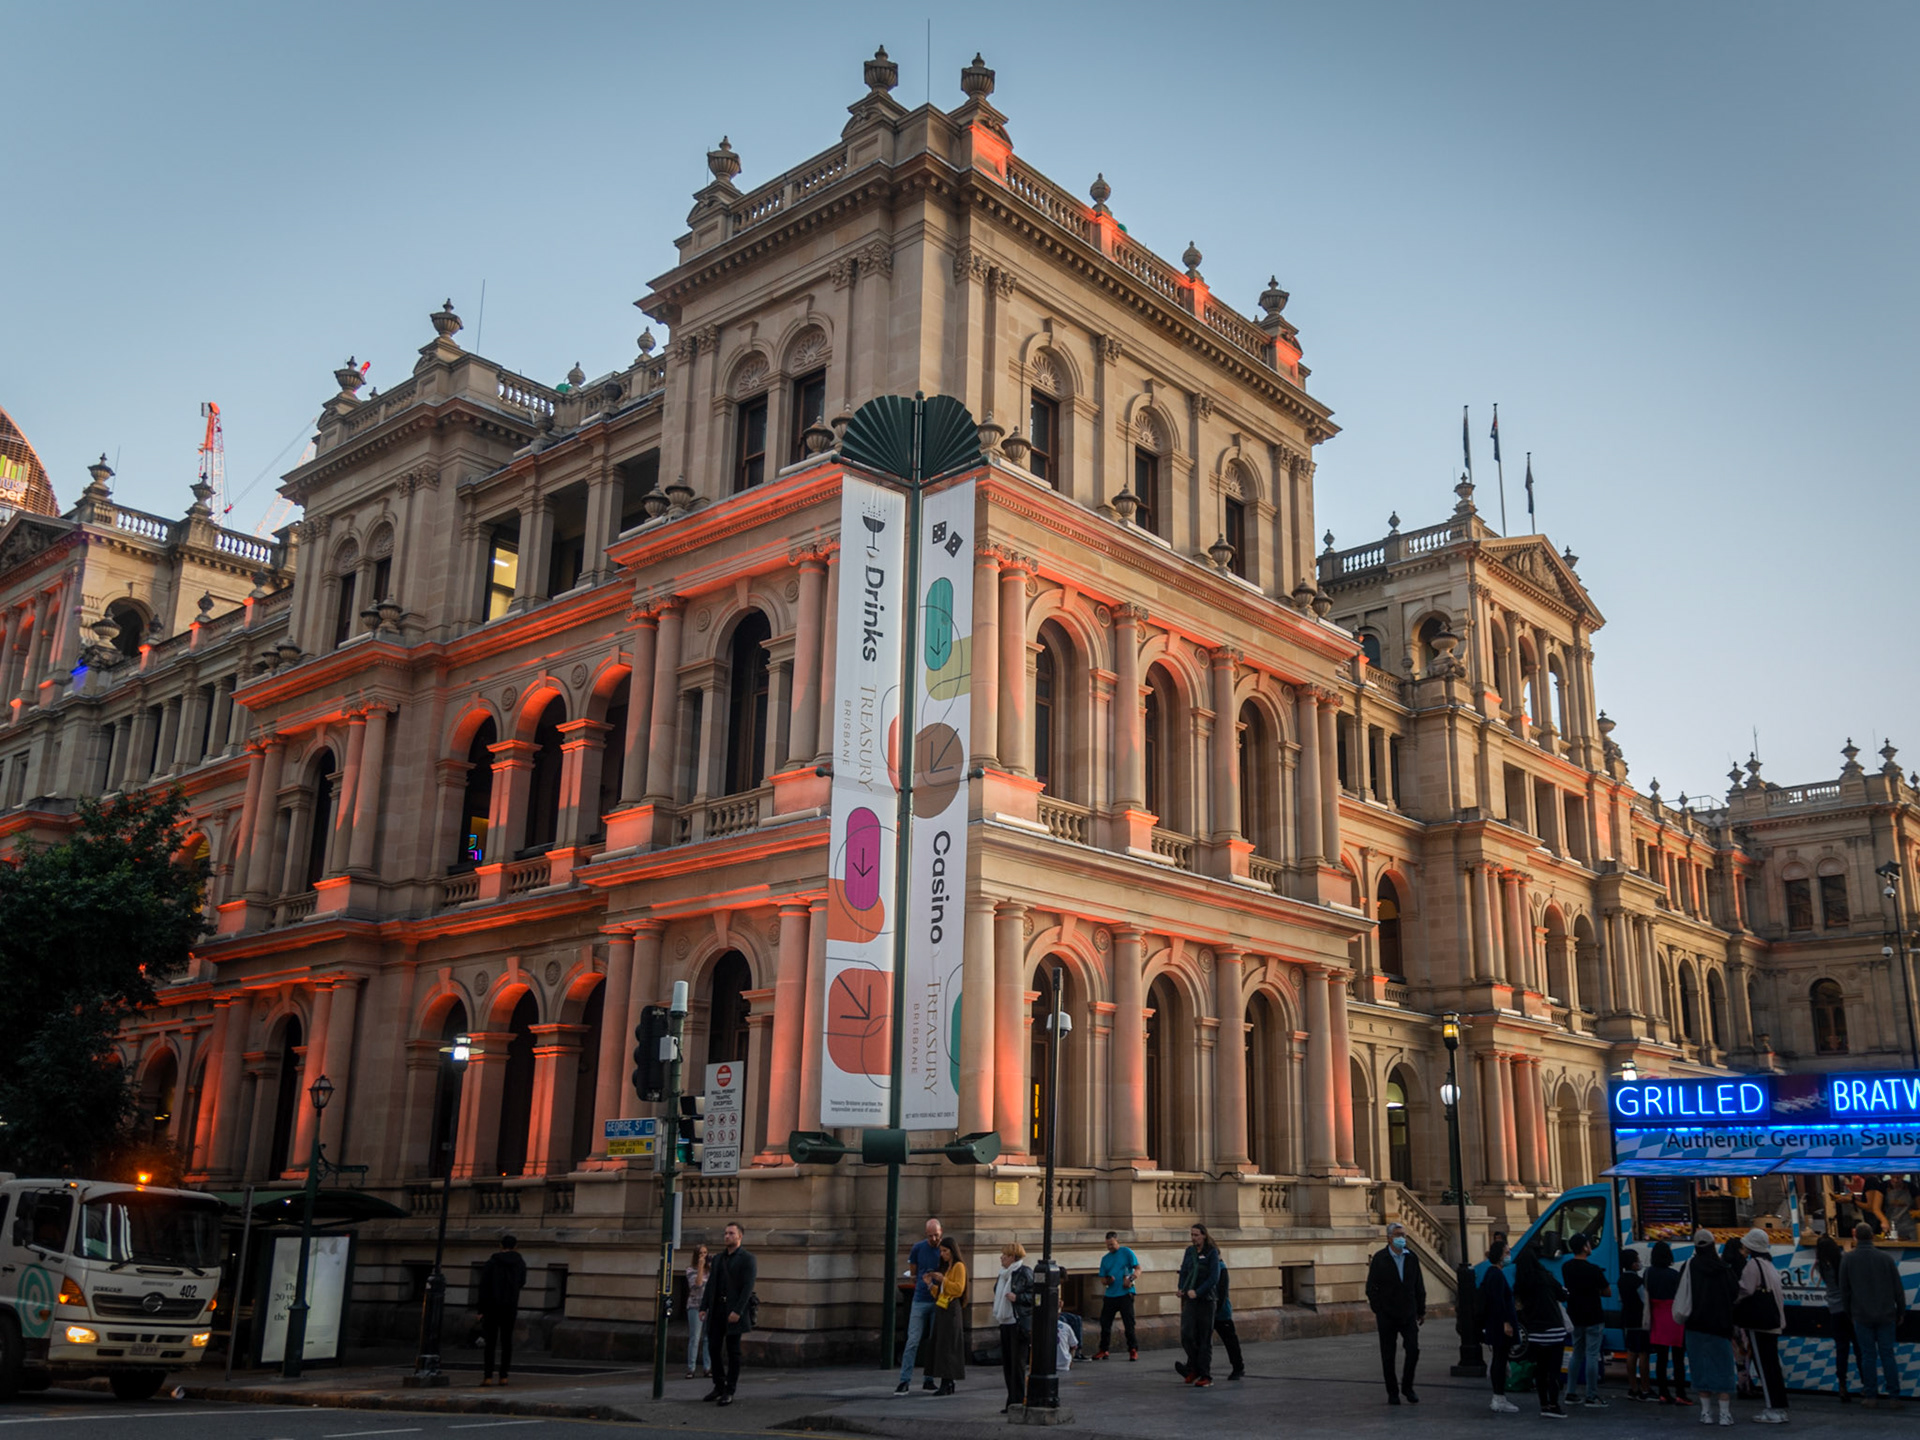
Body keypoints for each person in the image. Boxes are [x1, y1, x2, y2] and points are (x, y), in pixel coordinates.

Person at [1839, 1220, 1909, 1409]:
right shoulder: (1886, 1259)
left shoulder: (1848, 1259)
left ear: (1855, 1236)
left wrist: (1849, 1312)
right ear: (1872, 1236)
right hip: (1886, 1314)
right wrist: (1900, 1311)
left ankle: (1870, 1395)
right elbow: (1898, 1288)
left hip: (1861, 1315)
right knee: (1888, 1355)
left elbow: (1844, 1290)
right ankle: (1894, 1396)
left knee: (1868, 1356)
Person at [1674, 1227, 1737, 1426]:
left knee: (1700, 1368)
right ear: (1713, 1245)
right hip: (1720, 1326)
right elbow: (1734, 1293)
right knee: (1723, 1368)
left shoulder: (1689, 1266)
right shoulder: (1724, 1268)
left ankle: (1706, 1412)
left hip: (1695, 1326)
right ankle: (1725, 1414)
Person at [1365, 1220, 1426, 1405]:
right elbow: (1371, 1287)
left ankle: (1407, 1387)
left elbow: (1418, 1285)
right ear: (1389, 1238)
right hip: (1387, 1314)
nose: (1402, 1239)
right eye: (1398, 1235)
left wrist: (1421, 1309)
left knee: (1413, 1350)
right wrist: (1379, 1309)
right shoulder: (1380, 1258)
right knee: (1388, 1355)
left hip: (1408, 1313)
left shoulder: (1411, 1257)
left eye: (1403, 1235)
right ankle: (1392, 1392)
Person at [1733, 1228, 1788, 1423]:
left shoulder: (1752, 1265)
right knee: (1772, 1366)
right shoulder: (1768, 1264)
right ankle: (1780, 1408)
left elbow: (1745, 1289)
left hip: (1760, 1323)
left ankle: (1772, 1409)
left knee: (1764, 1368)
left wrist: (1733, 1301)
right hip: (1774, 1321)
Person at [701, 1221, 757, 1407]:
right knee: (713, 1348)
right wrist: (704, 1307)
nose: (727, 1236)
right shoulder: (718, 1259)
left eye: (731, 1233)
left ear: (740, 1236)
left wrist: (738, 1311)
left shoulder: (747, 1258)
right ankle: (719, 1384)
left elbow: (747, 1287)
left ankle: (729, 1390)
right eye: (725, 1233)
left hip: (733, 1311)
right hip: (717, 1309)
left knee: (733, 1351)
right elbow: (710, 1285)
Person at [1514, 1240, 1570, 1419]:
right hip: (1553, 1328)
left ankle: (1544, 1404)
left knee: (1540, 1369)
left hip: (1535, 1332)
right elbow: (1563, 1294)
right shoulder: (1545, 1277)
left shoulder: (1521, 1283)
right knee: (1554, 1371)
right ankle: (1554, 1404)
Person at [894, 1217, 945, 1395]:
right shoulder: (918, 1248)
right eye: (930, 1236)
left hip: (937, 1299)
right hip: (920, 1298)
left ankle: (928, 1379)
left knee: (932, 1341)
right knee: (912, 1340)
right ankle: (904, 1380)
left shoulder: (944, 1250)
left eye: (936, 1235)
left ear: (941, 1233)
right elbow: (913, 1273)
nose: (934, 1239)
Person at [1561, 1232, 1612, 1407]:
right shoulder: (1593, 1270)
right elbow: (1607, 1291)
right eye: (1588, 1244)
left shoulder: (1566, 1267)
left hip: (1575, 1315)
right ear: (1584, 1247)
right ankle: (1591, 1394)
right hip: (1593, 1315)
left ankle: (1571, 1392)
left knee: (1576, 1353)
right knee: (1591, 1355)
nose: (1590, 1246)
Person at [476, 1233, 528, 1387]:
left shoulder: (492, 1262)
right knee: (507, 1342)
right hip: (510, 1306)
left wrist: (481, 1309)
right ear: (516, 1246)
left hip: (492, 1307)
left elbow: (484, 1286)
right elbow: (522, 1282)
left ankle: (488, 1377)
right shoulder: (520, 1263)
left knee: (490, 1343)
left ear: (500, 1246)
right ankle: (504, 1376)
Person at [1173, 1223, 1222, 1387]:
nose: (1193, 1238)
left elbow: (1214, 1277)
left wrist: (1198, 1292)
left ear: (1204, 1235)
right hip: (1190, 1300)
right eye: (1192, 1235)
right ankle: (1194, 1367)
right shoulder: (1189, 1251)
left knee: (1204, 1339)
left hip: (1207, 1300)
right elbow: (1184, 1271)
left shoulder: (1212, 1253)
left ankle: (1205, 1376)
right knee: (1187, 1335)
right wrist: (1182, 1288)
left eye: (1196, 1235)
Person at [1815, 1232, 1860, 1401]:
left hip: (1834, 1309)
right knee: (1859, 1348)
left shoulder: (1820, 1265)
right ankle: (1866, 1385)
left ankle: (1842, 1385)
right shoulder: (1842, 1260)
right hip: (1850, 1309)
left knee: (1841, 1350)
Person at [1645, 1240, 1691, 1405]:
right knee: (1678, 1358)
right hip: (1674, 1318)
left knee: (1661, 1358)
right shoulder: (1674, 1275)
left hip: (1657, 1316)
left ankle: (1663, 1393)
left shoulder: (1648, 1273)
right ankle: (1680, 1393)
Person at [1479, 1236, 1520, 1414]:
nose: (1509, 1255)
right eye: (1506, 1253)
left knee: (1499, 1358)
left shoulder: (1492, 1273)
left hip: (1495, 1323)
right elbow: (1497, 1301)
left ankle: (1499, 1397)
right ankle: (1499, 1397)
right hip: (1499, 1324)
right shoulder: (1495, 1275)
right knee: (1500, 1359)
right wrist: (1506, 1322)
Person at [992, 1242, 1035, 1412]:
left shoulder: (1025, 1272)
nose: (1001, 1257)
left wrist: (1018, 1297)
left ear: (1013, 1257)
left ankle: (1017, 1400)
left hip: (1018, 1323)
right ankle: (1012, 1400)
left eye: (1005, 1255)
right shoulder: (1003, 1274)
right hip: (1005, 1322)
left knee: (1017, 1365)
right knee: (1008, 1364)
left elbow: (1035, 1295)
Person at [925, 1236, 968, 1396]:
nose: (942, 1254)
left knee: (949, 1345)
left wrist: (943, 1280)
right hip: (943, 1306)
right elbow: (942, 1292)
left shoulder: (959, 1266)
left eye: (945, 1251)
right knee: (941, 1344)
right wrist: (930, 1285)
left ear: (952, 1251)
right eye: (941, 1251)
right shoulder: (947, 1267)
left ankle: (948, 1380)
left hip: (952, 1309)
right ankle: (947, 1380)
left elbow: (958, 1289)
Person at [1094, 1231, 1140, 1360]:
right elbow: (1102, 1279)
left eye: (1112, 1244)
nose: (1110, 1247)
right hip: (1111, 1294)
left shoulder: (1126, 1252)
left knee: (1129, 1323)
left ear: (1117, 1241)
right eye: (1108, 1245)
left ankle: (1132, 1349)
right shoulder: (1105, 1258)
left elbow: (1138, 1268)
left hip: (1126, 1293)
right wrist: (1108, 1280)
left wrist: (1130, 1279)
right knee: (1105, 1323)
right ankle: (1104, 1349)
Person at [1619, 1248, 1651, 1401]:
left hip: (1627, 1320)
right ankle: (1645, 1389)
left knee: (1631, 1353)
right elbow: (1645, 1301)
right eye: (1637, 1260)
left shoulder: (1621, 1280)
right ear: (1633, 1265)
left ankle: (1633, 1387)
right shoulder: (1637, 1281)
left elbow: (1620, 1300)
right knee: (1643, 1354)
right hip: (1640, 1320)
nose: (1639, 1263)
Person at [1213, 1254, 1246, 1381]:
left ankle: (1238, 1367)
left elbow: (1222, 1290)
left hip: (1221, 1312)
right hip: (1208, 1310)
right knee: (1200, 1340)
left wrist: (1217, 1308)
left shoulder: (1221, 1268)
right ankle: (1192, 1367)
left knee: (1230, 1340)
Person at [685, 1244, 710, 1379]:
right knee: (695, 1337)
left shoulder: (710, 1270)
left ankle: (707, 1367)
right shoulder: (690, 1270)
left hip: (708, 1307)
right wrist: (700, 1266)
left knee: (708, 1338)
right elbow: (698, 1284)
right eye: (701, 1253)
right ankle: (691, 1368)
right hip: (695, 1306)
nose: (703, 1256)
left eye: (705, 1253)